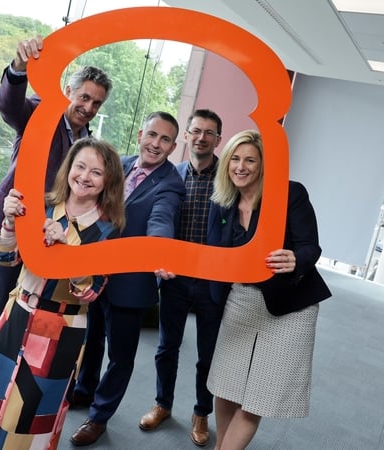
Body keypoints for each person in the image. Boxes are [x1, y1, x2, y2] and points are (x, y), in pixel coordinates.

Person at [0, 34, 113, 425]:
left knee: (33, 325)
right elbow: (8, 104)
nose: (88, 107)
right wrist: (19, 68)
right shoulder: (39, 112)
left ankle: (17, 403)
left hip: (54, 245)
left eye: (96, 103)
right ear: (68, 91)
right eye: (84, 97)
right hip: (12, 232)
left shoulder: (89, 143)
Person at [0, 137, 126, 449]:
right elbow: (6, 258)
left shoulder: (108, 231)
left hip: (62, 329)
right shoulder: (40, 206)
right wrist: (10, 222)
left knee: (34, 418)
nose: (85, 176)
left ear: (108, 181)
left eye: (96, 172)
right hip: (16, 314)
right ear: (69, 167)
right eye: (80, 166)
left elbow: (90, 292)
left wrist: (68, 250)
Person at [205, 129, 332, 449]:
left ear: (263, 165)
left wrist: (296, 259)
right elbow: (212, 255)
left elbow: (311, 246)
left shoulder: (290, 194)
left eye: (250, 160)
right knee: (226, 385)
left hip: (290, 306)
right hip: (241, 300)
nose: (241, 167)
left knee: (256, 397)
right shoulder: (222, 203)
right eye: (235, 159)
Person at [69, 111, 186, 446]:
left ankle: (99, 417)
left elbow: (161, 219)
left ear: (173, 146)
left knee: (120, 356)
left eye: (165, 139)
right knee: (91, 339)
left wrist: (160, 250)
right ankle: (84, 390)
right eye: (152, 135)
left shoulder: (170, 184)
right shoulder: (118, 165)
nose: (156, 144)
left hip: (130, 284)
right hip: (94, 274)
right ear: (139, 135)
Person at [138, 109, 224, 447]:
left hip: (211, 280)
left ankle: (202, 413)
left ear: (218, 139)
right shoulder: (171, 176)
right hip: (174, 278)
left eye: (209, 133)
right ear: (186, 137)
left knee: (208, 354)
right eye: (196, 131)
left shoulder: (229, 178)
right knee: (166, 347)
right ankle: (163, 404)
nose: (202, 138)